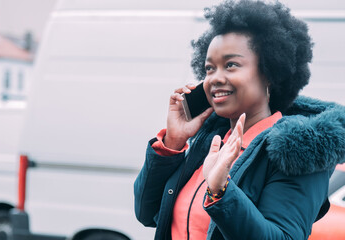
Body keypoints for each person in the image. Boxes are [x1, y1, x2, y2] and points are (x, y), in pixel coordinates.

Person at [134, 0, 345, 239]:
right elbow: (147, 213)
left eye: (231, 65)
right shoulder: (208, 140)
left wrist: (221, 191)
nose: (215, 78)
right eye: (210, 68)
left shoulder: (298, 151)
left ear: (270, 72)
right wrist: (173, 142)